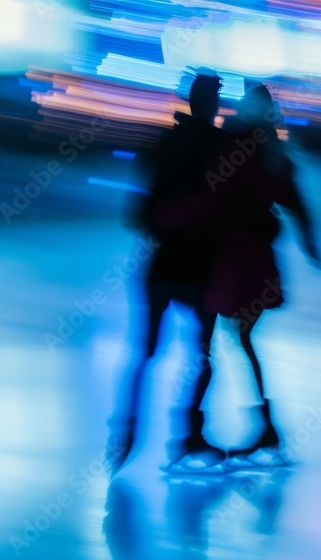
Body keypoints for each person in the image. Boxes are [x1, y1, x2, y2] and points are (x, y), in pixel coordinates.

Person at [155, 85, 321, 467]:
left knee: (212, 344)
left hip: (228, 260)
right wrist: (311, 243)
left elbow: (211, 199)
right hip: (257, 262)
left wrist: (167, 219)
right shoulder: (275, 153)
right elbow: (295, 202)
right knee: (241, 342)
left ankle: (198, 434)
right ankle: (263, 430)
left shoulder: (235, 150)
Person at [106, 72, 230, 474]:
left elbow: (137, 214)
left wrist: (169, 221)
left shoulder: (163, 145)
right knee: (201, 354)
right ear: (213, 104)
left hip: (162, 263)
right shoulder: (223, 151)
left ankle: (126, 432)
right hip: (203, 266)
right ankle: (188, 437)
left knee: (145, 351)